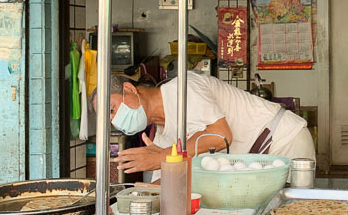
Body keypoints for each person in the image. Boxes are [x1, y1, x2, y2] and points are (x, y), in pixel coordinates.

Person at [92, 74, 315, 179]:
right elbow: (170, 178)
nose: (114, 120)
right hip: (255, 162)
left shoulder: (183, 88)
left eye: (111, 109)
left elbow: (220, 136)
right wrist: (138, 197)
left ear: (129, 89)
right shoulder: (162, 136)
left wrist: (162, 156)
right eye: (108, 118)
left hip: (283, 142)